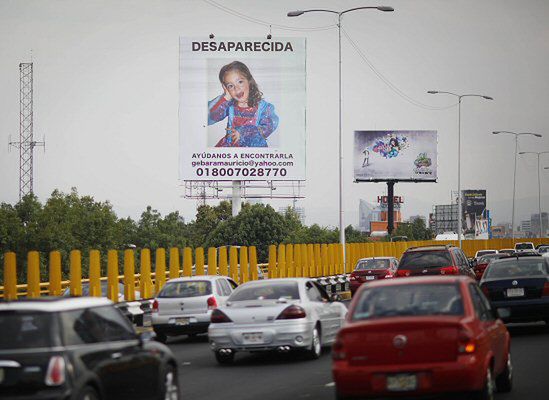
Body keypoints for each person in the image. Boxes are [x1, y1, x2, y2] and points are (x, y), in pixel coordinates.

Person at [208, 61, 279, 147]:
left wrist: (243, 132)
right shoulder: (229, 106)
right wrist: (225, 98)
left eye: (240, 82)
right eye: (230, 86)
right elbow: (212, 117)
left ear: (249, 81)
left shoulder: (264, 107)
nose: (237, 89)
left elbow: (269, 126)